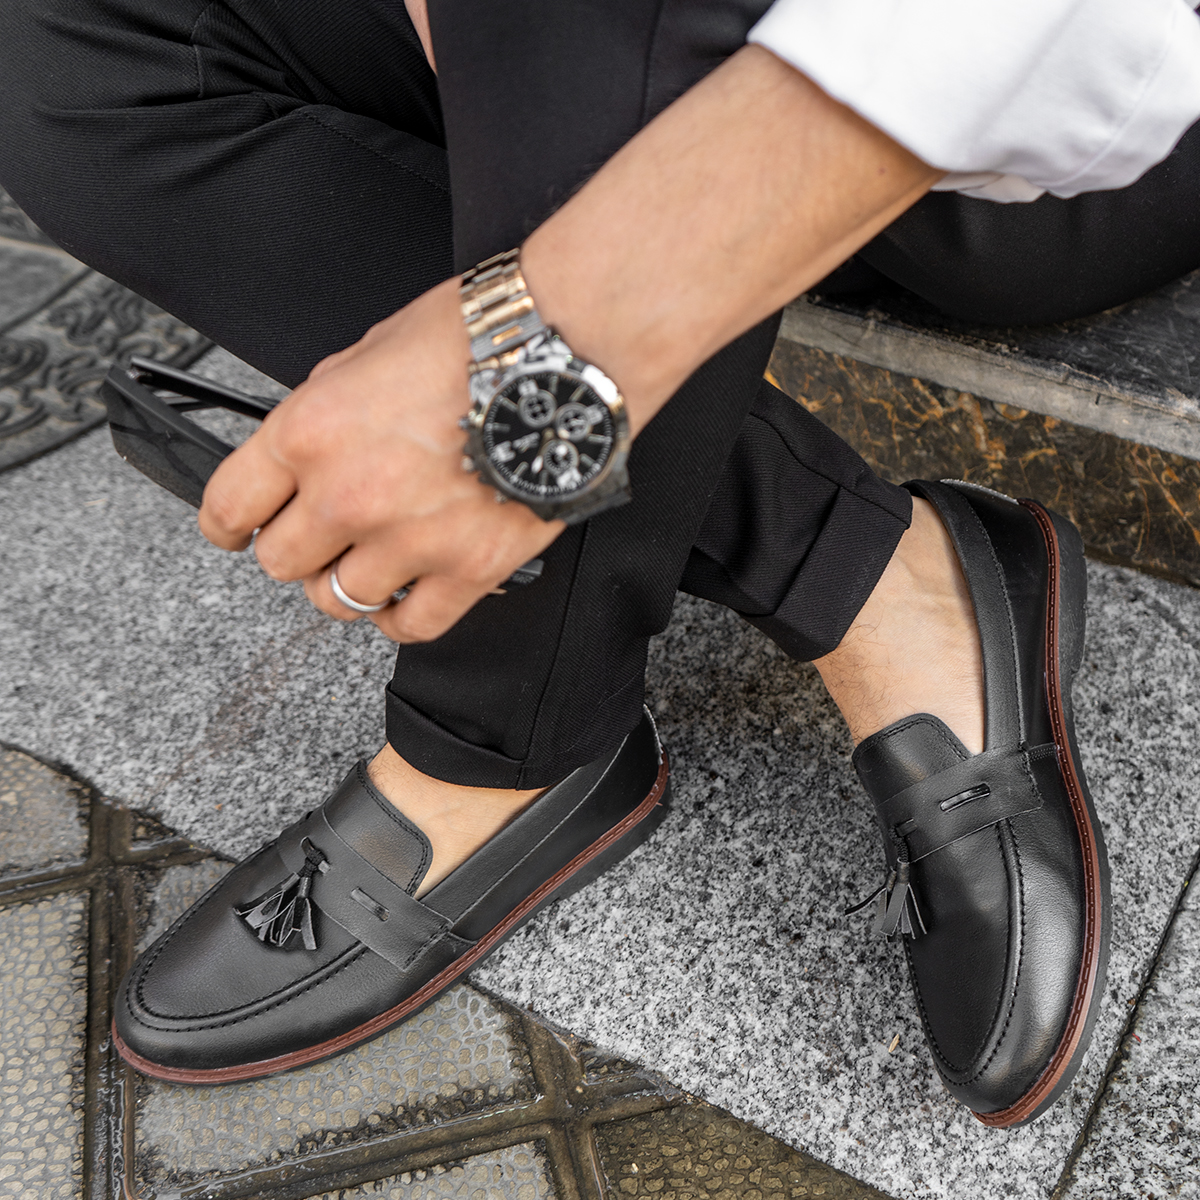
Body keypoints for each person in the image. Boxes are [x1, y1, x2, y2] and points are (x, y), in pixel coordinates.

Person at [2, 0, 1198, 1126]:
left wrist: (537, 371)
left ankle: (503, 735)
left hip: (1032, 108)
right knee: (62, 49)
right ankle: (865, 566)